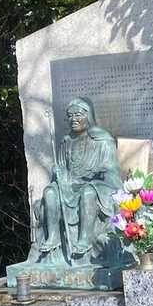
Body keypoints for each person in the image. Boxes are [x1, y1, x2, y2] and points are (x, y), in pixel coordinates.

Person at [37, 97, 121, 263]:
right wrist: (58, 172)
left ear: (88, 116)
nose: (73, 119)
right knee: (50, 192)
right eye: (70, 116)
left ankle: (84, 239)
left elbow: (111, 170)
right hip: (71, 185)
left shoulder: (102, 140)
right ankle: (53, 237)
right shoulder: (67, 141)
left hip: (98, 185)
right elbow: (62, 168)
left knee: (88, 192)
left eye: (78, 115)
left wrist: (95, 171)